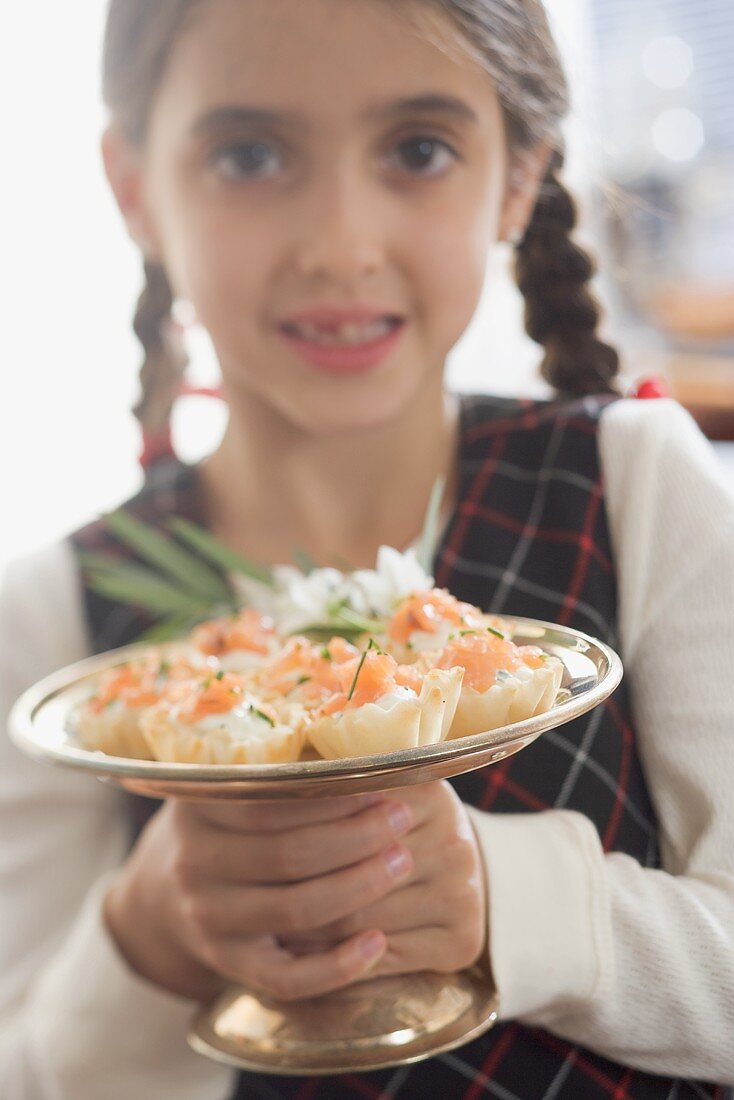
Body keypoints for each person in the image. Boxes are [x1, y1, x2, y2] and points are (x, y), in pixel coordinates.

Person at [1, 0, 733, 1096]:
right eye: (250, 154)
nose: (339, 245)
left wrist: (501, 893)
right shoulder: (53, 611)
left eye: (417, 149)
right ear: (136, 188)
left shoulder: (632, 482)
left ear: (520, 174)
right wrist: (145, 934)